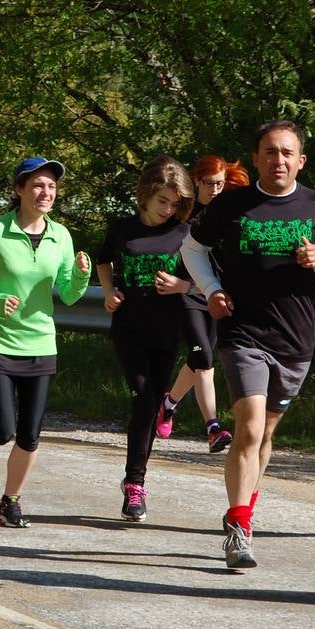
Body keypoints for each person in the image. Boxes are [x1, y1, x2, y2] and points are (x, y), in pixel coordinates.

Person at [180, 121, 315, 569]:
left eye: (287, 153)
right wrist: (211, 289)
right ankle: (239, 529)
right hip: (242, 332)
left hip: (294, 339)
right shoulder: (233, 205)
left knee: (267, 434)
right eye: (270, 152)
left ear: (301, 160)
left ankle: (243, 508)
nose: (278, 160)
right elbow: (192, 248)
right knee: (250, 427)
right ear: (256, 159)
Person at [0, 157, 90, 527]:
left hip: (41, 344)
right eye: (37, 186)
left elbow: (69, 294)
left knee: (30, 435)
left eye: (52, 187)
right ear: (19, 190)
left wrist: (80, 276)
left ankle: (10, 501)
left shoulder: (61, 235)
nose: (46, 193)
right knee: (3, 429)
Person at [97, 157, 195, 522]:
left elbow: (204, 280)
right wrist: (109, 292)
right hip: (129, 329)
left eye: (175, 204)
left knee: (151, 406)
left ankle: (136, 479)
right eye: (162, 202)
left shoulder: (184, 234)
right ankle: (135, 484)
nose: (169, 210)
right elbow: (104, 261)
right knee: (144, 396)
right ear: (146, 196)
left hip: (167, 331)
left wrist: (181, 285)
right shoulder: (122, 228)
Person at [157, 155, 238, 453]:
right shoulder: (183, 214)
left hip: (216, 296)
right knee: (204, 359)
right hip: (186, 295)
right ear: (197, 181)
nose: (215, 189)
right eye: (209, 183)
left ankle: (168, 404)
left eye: (220, 183)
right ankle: (214, 427)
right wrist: (181, 285)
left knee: (197, 359)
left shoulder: (230, 211)